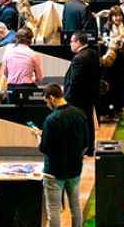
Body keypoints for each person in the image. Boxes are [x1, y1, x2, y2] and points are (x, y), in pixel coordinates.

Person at [32, 84, 89, 227]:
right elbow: (86, 143)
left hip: (54, 172)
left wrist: (38, 137)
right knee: (75, 207)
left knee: (53, 210)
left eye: (46, 102)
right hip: (74, 169)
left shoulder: (51, 120)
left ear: (51, 98)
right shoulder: (79, 113)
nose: (47, 105)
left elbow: (44, 148)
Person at [64, 32, 101, 155]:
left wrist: (68, 99)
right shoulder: (93, 53)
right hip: (90, 96)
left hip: (78, 98)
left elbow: (74, 81)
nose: (70, 44)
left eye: (71, 42)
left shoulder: (78, 58)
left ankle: (80, 148)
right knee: (88, 122)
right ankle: (90, 148)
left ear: (78, 42)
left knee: (77, 124)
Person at [2, 28, 44, 95]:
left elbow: (5, 72)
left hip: (11, 88)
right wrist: (33, 79)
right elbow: (39, 78)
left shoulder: (9, 53)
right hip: (26, 88)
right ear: (30, 40)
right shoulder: (34, 55)